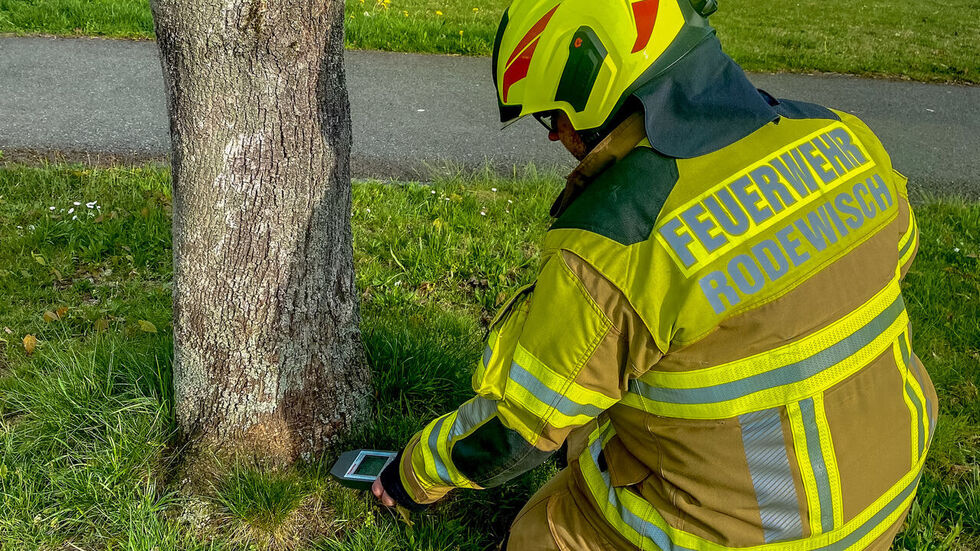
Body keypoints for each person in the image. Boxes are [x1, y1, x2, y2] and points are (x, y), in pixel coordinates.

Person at [373, 0, 938, 549]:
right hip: (885, 491)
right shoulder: (844, 137)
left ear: (598, 91)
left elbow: (517, 428)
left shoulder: (617, 241)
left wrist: (411, 475)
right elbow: (898, 252)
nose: (553, 136)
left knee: (542, 529)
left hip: (744, 536)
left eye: (552, 116)